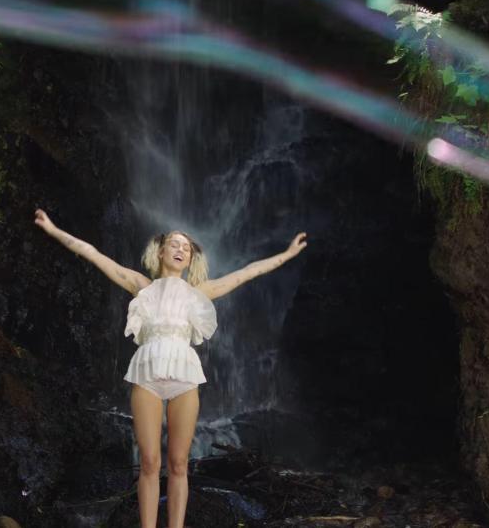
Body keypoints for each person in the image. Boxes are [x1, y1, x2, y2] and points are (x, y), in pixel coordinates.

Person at [33, 207, 307, 528]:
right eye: (175, 244)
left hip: (185, 377)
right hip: (147, 375)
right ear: (160, 251)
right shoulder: (140, 285)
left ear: (190, 260)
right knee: (150, 462)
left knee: (179, 464)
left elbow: (247, 272)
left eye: (186, 248)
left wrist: (287, 254)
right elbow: (92, 254)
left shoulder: (199, 292)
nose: (180, 249)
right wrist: (52, 229)